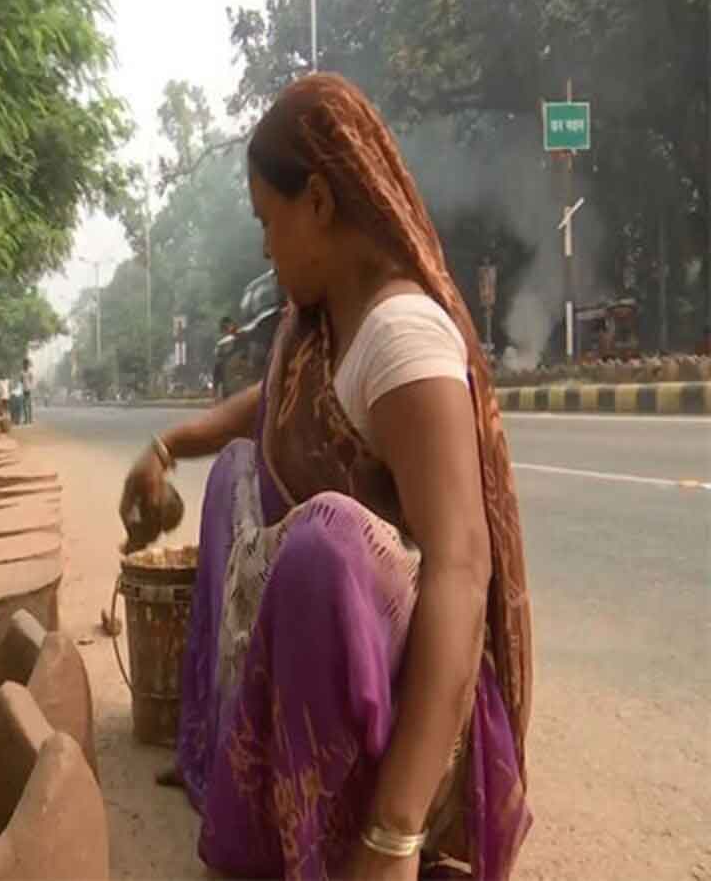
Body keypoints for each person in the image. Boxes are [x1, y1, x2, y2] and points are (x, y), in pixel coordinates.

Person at [120, 74, 531, 881]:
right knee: (235, 473)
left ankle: (347, 845)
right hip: (335, 662)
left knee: (322, 547)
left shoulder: (403, 334)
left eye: (268, 223)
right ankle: (216, 756)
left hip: (414, 723)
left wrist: (395, 836)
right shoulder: (324, 326)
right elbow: (262, 409)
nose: (267, 248)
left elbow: (461, 566)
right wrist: (167, 448)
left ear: (317, 202)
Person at [20, 358, 35, 425]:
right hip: (24, 390)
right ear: (23, 365)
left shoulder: (30, 372)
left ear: (28, 365)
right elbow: (20, 380)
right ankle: (26, 420)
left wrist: (30, 386)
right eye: (24, 364)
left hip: (29, 390)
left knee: (29, 405)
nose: (25, 365)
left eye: (26, 364)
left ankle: (30, 419)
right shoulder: (22, 372)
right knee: (25, 405)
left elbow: (32, 380)